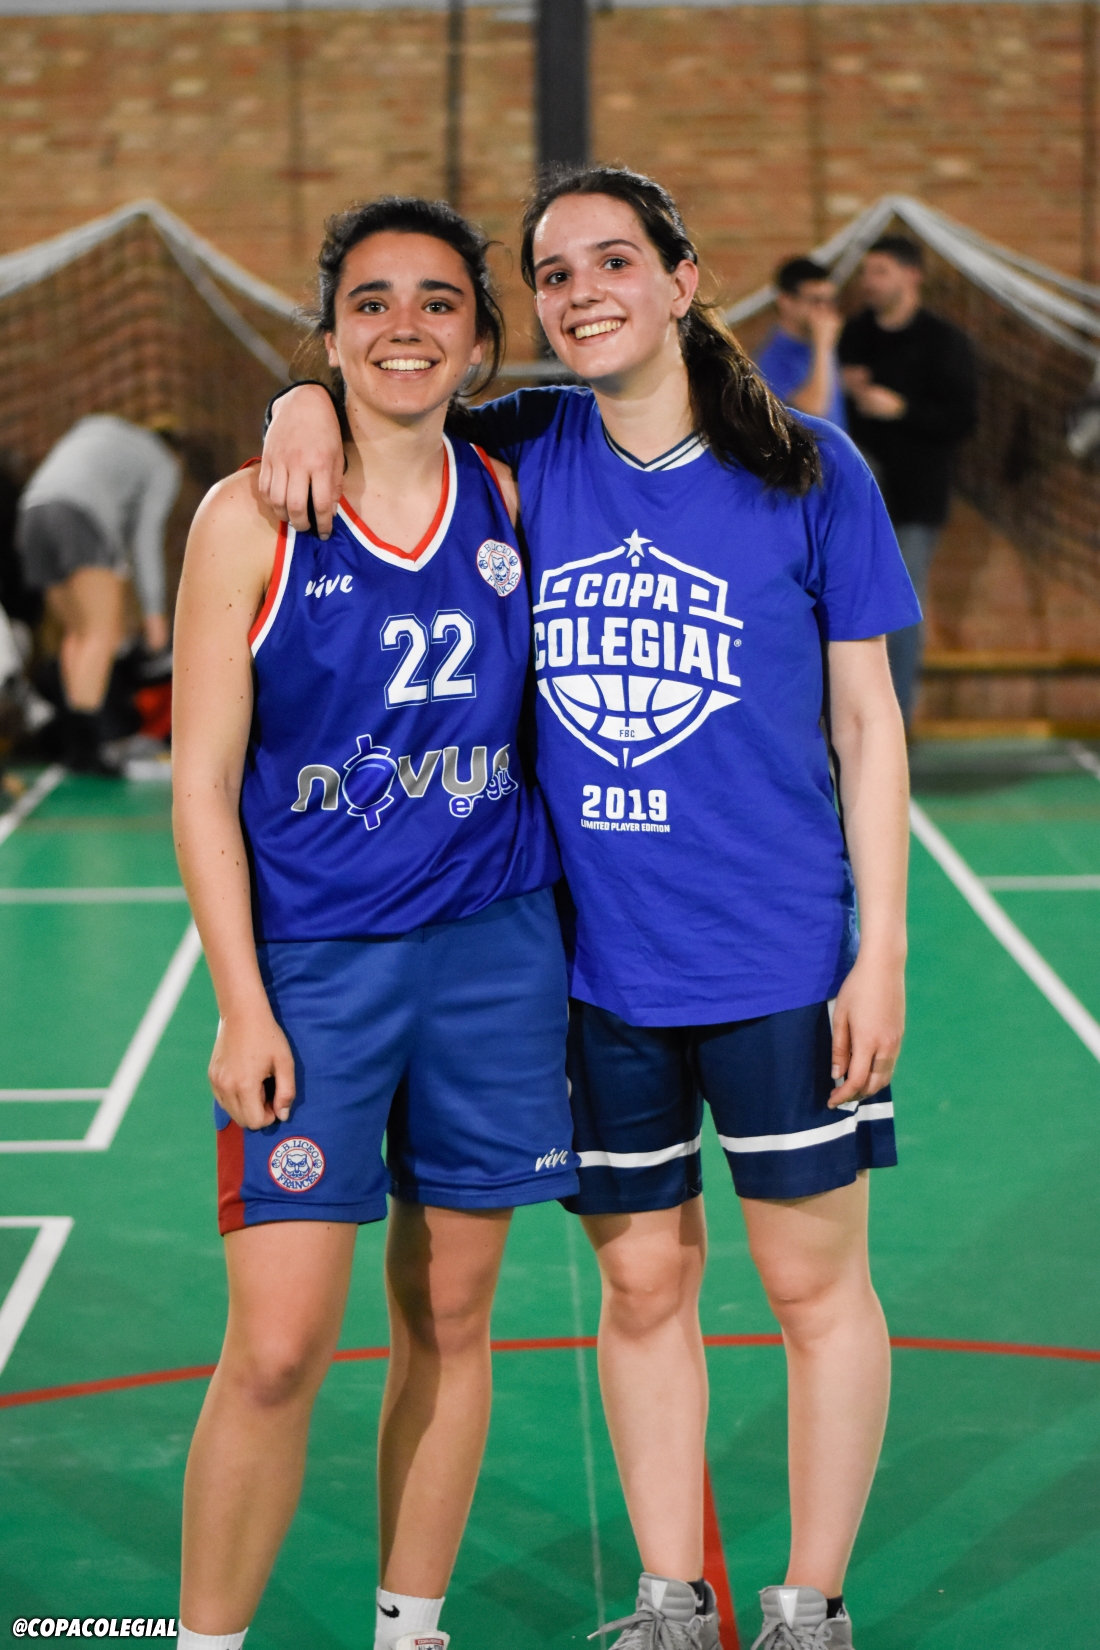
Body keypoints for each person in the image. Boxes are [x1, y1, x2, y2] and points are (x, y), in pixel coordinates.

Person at [261, 165, 919, 1650]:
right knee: (641, 1289)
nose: (581, 293)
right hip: (596, 968)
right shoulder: (523, 451)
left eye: (613, 262)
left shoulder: (811, 467)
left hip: (775, 956)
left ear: (682, 281)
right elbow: (384, 398)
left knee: (813, 1289)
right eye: (553, 274)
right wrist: (295, 402)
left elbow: (868, 727)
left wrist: (879, 952)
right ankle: (670, 1597)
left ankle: (812, 1604)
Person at [171, 196, 577, 1650]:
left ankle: (411, 1626)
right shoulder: (250, 514)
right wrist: (241, 1002)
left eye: (438, 302)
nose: (405, 326)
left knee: (451, 1319)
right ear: (330, 334)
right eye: (372, 302)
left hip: (493, 958)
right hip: (315, 975)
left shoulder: (520, 498)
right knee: (278, 1348)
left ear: (478, 339)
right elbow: (201, 785)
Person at [838, 235, 977, 727]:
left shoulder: (943, 341)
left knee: (898, 606)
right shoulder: (855, 334)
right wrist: (848, 390)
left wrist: (901, 409)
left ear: (911, 275)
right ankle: (852, 717)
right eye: (866, 273)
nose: (869, 283)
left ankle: (894, 720)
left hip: (916, 497)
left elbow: (962, 419)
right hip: (857, 497)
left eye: (880, 272)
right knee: (849, 605)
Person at [15, 414, 180, 774]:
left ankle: (73, 740)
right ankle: (87, 745)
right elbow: (146, 539)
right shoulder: (163, 464)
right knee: (101, 634)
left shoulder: (99, 427)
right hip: (78, 519)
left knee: (77, 633)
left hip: (31, 512)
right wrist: (155, 618)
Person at [755, 257, 846, 428]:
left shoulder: (815, 344)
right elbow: (813, 412)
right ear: (786, 301)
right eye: (815, 301)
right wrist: (822, 346)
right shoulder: (772, 358)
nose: (825, 310)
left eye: (830, 300)